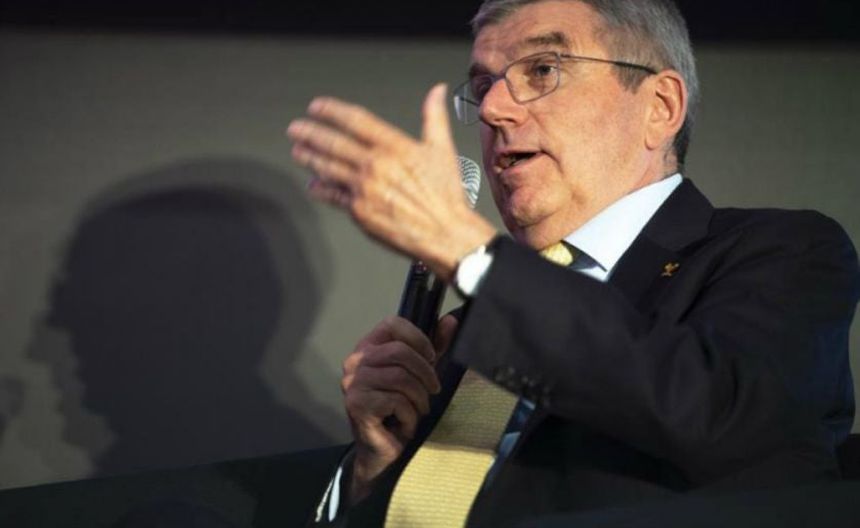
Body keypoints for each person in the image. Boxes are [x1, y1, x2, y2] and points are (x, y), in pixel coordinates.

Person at [286, 0, 860, 526]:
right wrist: (374, 467)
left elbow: (722, 413)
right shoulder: (473, 326)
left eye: (542, 70)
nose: (493, 109)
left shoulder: (785, 251)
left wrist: (471, 254)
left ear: (660, 108)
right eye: (483, 85)